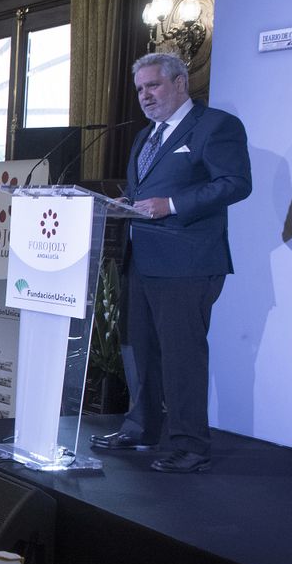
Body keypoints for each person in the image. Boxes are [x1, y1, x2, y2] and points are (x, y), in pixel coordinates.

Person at [90, 52, 252, 474]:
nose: (145, 96)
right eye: (140, 89)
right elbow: (147, 191)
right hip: (140, 259)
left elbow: (236, 183)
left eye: (153, 86)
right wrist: (125, 204)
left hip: (188, 262)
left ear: (180, 83)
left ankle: (190, 445)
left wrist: (173, 204)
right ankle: (142, 428)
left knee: (182, 357)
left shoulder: (215, 125)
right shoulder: (146, 136)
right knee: (140, 352)